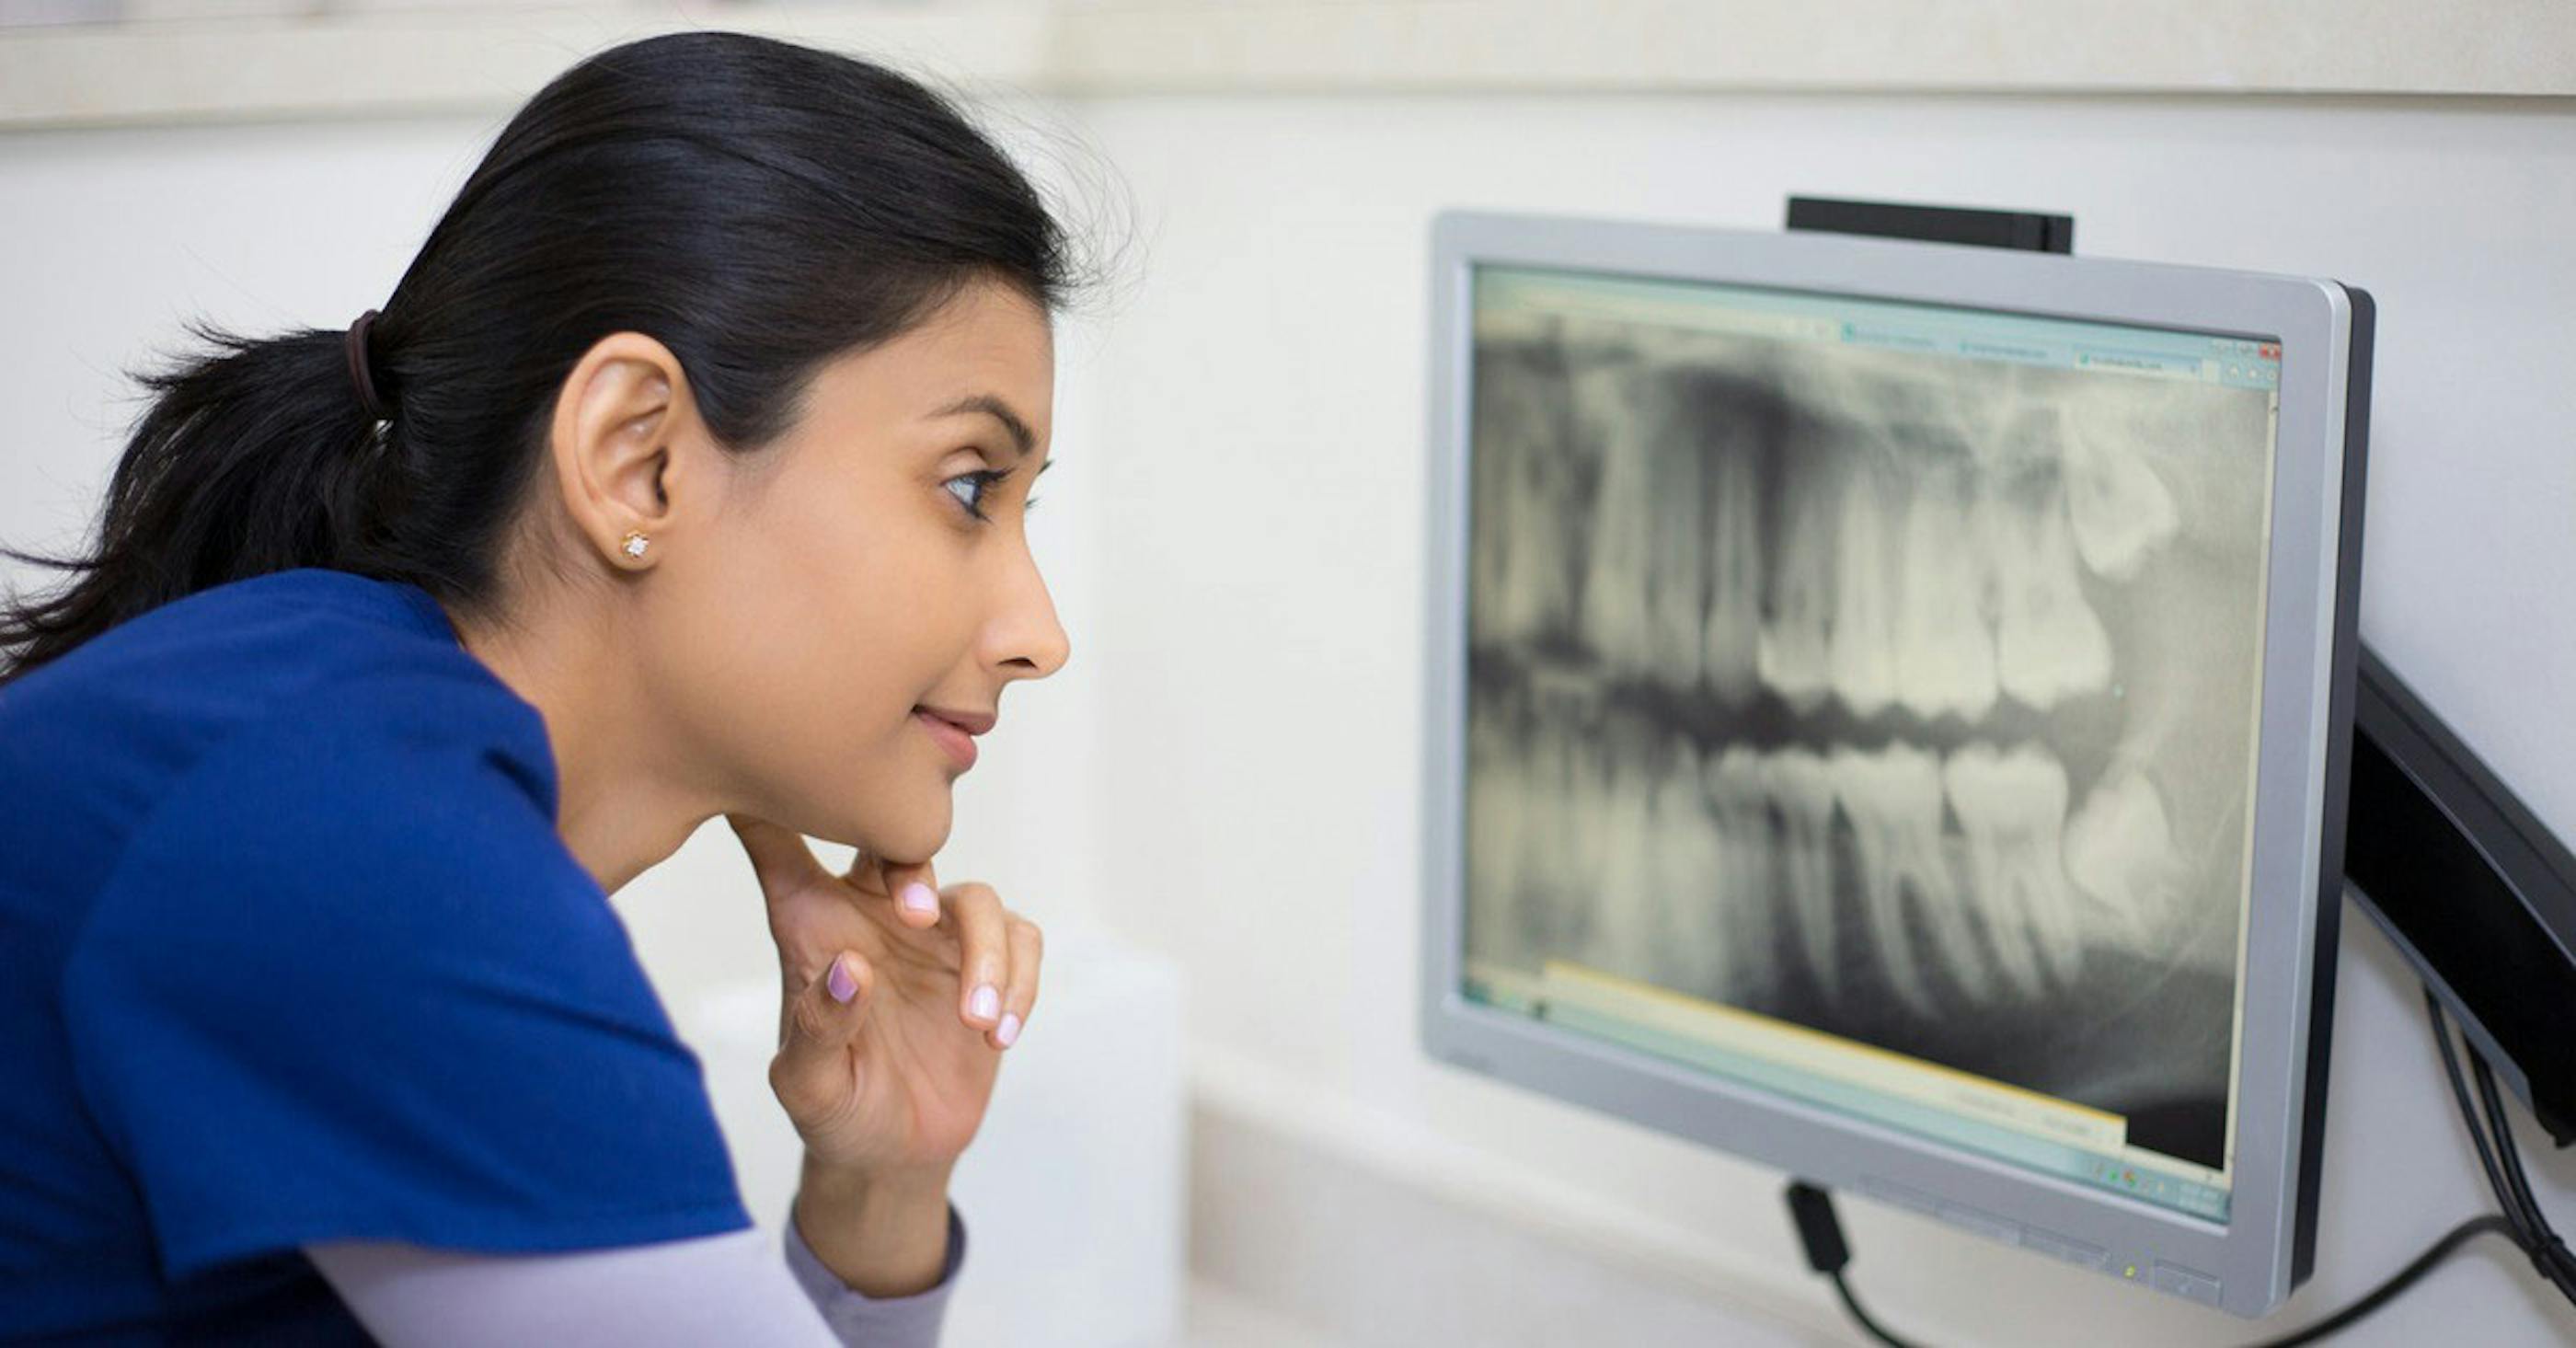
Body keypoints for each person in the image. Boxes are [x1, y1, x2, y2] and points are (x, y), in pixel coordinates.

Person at [0, 28, 1080, 1344]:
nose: (1040, 632)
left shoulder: (329, 738)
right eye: (969, 486)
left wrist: (881, 1187)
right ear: (640, 460)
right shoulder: (355, 840)